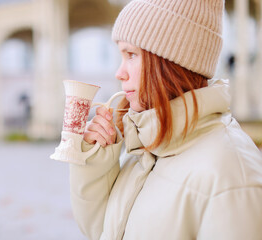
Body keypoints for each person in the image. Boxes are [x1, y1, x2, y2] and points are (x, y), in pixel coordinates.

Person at [62, 0, 262, 239]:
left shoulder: (231, 176)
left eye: (132, 55)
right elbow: (104, 231)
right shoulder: (148, 144)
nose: (119, 72)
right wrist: (98, 165)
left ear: (172, 63)